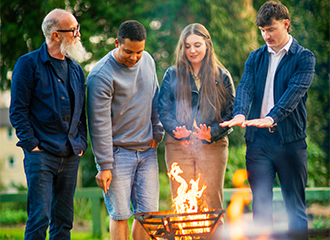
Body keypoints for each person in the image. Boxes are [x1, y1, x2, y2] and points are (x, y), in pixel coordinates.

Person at [220, 1, 315, 238]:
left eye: (271, 29)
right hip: (258, 143)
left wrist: (272, 117)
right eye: (262, 30)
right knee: (260, 208)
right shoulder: (255, 57)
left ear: (286, 24)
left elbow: (294, 93)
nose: (266, 35)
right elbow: (245, 87)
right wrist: (240, 112)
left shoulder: (304, 58)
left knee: (295, 209)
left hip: (290, 144)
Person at [9, 8, 87, 240]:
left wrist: (80, 142)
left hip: (71, 154)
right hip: (41, 154)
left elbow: (81, 113)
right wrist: (32, 144)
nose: (78, 35)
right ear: (55, 35)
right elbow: (18, 111)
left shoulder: (76, 70)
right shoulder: (28, 64)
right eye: (74, 30)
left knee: (64, 220)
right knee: (39, 218)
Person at [86, 20, 164, 240]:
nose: (134, 58)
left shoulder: (147, 61)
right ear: (116, 43)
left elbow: (155, 99)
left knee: (148, 215)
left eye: (139, 51)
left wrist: (157, 134)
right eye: (128, 51)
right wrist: (104, 165)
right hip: (117, 154)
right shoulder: (101, 75)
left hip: (147, 152)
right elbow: (98, 124)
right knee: (120, 214)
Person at [158, 23, 235, 226]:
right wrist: (176, 130)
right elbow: (163, 109)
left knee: (211, 201)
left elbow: (231, 114)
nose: (192, 50)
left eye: (197, 45)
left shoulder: (222, 75)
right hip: (178, 145)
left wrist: (213, 133)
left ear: (207, 45)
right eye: (187, 46)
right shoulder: (172, 74)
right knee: (182, 200)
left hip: (213, 146)